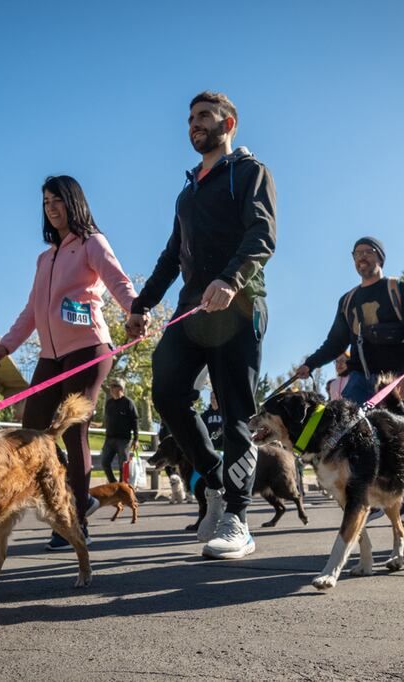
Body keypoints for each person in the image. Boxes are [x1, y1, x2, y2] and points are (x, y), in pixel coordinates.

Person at [125, 91, 276, 560]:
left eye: (204, 116)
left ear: (228, 122)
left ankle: (237, 518)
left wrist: (231, 279)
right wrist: (141, 304)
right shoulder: (187, 191)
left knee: (236, 414)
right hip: (191, 310)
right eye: (190, 117)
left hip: (238, 304)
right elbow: (172, 256)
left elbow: (262, 234)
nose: (194, 124)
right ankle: (212, 476)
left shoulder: (250, 172)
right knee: (167, 391)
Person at [0, 175, 138, 550]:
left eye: (58, 200)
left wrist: (137, 312)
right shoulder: (45, 258)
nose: (51, 208)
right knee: (32, 429)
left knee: (73, 431)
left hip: (89, 349)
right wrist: (4, 347)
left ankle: (74, 520)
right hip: (50, 356)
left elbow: (119, 282)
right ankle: (76, 495)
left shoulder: (91, 243)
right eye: (46, 203)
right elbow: (32, 311)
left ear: (75, 202)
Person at [296, 235, 404, 526]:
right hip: (361, 378)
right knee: (347, 434)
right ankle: (368, 497)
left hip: (395, 381)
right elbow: (335, 342)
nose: (361, 258)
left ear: (380, 257)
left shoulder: (398, 289)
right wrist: (310, 364)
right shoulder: (348, 300)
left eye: (367, 252)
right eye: (356, 254)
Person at [101, 379, 140, 483]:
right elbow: (107, 420)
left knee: (123, 466)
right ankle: (113, 484)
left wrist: (136, 439)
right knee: (104, 462)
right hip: (109, 440)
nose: (111, 388)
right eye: (111, 386)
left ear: (121, 388)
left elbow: (135, 421)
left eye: (114, 386)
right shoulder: (109, 403)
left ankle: (123, 487)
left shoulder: (128, 403)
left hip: (124, 441)